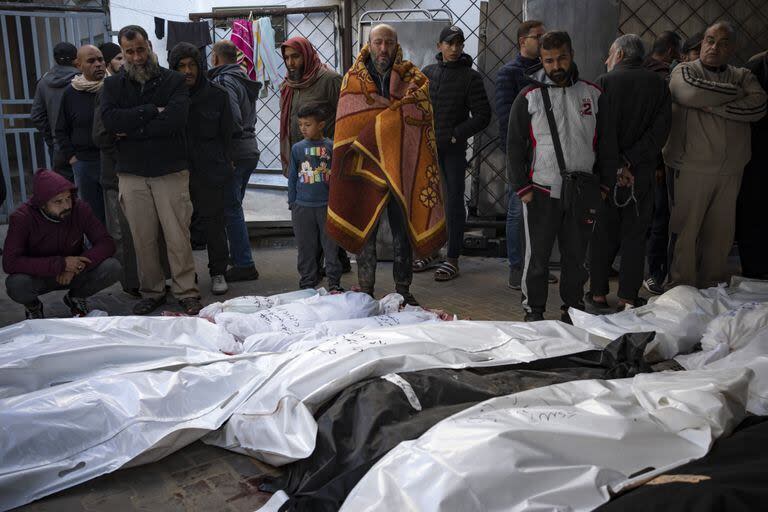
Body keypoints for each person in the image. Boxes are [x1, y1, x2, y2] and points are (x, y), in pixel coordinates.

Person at [326, 24, 446, 306]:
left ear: (396, 45)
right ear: (369, 44)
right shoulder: (352, 80)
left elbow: (419, 116)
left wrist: (388, 123)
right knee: (364, 227)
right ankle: (366, 290)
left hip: (401, 166)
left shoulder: (413, 79)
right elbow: (347, 126)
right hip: (363, 168)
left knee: (402, 230)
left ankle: (402, 290)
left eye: (389, 43)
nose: (383, 49)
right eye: (378, 42)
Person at [100, 25, 203, 315]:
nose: (136, 57)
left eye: (140, 49)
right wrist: (149, 112)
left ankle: (186, 291)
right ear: (122, 52)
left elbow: (175, 120)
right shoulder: (113, 86)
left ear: (149, 47)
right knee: (142, 237)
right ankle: (152, 291)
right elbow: (110, 122)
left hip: (170, 170)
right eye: (129, 52)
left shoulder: (172, 81)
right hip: (131, 173)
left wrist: (130, 128)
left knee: (177, 235)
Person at [506, 31, 608, 322]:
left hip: (582, 191)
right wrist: (522, 188)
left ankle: (573, 308)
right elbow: (514, 146)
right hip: (540, 190)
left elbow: (606, 144)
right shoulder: (529, 97)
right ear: (541, 61)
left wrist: (603, 186)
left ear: (571, 54)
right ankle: (533, 310)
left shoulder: (593, 95)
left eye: (561, 57)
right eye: (549, 60)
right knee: (536, 258)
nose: (556, 65)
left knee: (576, 257)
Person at [664, 21, 767, 289]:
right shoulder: (684, 71)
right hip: (691, 167)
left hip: (731, 168)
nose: (713, 47)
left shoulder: (742, 74)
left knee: (721, 234)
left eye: (722, 43)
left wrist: (715, 107)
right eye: (709, 40)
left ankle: (712, 286)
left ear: (732, 48)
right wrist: (734, 96)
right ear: (701, 43)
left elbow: (758, 105)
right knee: (686, 231)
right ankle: (681, 287)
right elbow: (692, 92)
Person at [587, 35, 671, 311]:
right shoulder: (659, 84)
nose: (606, 60)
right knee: (636, 236)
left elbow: (598, 131)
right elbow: (660, 131)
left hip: (608, 174)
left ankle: (598, 294)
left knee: (603, 234)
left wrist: (617, 164)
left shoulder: (604, 82)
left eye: (609, 54)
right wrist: (633, 160)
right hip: (642, 173)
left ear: (620, 54)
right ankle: (627, 297)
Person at [420, 25, 490, 281]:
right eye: (449, 43)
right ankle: (430, 251)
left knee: (452, 202)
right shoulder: (427, 74)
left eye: (458, 44)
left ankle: (452, 258)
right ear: (439, 46)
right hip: (428, 149)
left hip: (453, 151)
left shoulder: (470, 78)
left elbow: (483, 116)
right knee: (429, 201)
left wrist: (456, 134)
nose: (454, 48)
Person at [2, 170, 120, 319]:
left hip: (74, 272)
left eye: (68, 198)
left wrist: (77, 265)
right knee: (16, 284)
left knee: (112, 267)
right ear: (42, 204)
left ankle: (76, 297)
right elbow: (10, 262)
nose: (66, 206)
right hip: (39, 275)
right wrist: (61, 264)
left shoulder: (80, 208)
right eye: (58, 201)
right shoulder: (22, 218)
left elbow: (106, 243)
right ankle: (33, 306)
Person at [279, 36, 351, 275]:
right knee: (310, 221)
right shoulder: (289, 85)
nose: (291, 62)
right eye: (287, 57)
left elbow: (347, 116)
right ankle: (328, 266)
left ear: (307, 55)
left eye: (296, 56)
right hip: (301, 162)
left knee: (326, 216)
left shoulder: (329, 80)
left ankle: (331, 270)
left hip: (326, 165)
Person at [496, 20, 559, 289]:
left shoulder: (549, 72)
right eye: (539, 36)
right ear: (524, 41)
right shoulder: (509, 74)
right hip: (522, 152)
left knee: (543, 212)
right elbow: (505, 118)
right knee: (515, 211)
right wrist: (515, 154)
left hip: (547, 153)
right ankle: (516, 267)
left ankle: (537, 267)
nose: (543, 39)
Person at [170, 42, 233, 296]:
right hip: (176, 169)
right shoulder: (168, 95)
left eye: (192, 65)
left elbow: (228, 134)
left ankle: (218, 271)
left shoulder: (217, 95)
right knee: (178, 225)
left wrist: (224, 164)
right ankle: (186, 274)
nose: (187, 71)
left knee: (214, 223)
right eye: (181, 66)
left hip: (210, 169)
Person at [208, 40, 262, 282]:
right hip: (250, 149)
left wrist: (227, 154)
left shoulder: (223, 80)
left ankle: (243, 263)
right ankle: (239, 256)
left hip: (236, 151)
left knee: (230, 209)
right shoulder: (243, 78)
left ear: (216, 58)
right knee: (234, 206)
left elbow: (232, 119)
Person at [643, 32, 684, 294]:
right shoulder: (662, 78)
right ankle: (656, 272)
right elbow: (660, 126)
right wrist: (659, 164)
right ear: (671, 51)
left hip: (632, 160)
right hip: (658, 161)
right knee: (661, 219)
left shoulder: (640, 70)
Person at [287, 105, 342, 291]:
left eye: (307, 124)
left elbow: (337, 179)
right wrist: (292, 202)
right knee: (306, 248)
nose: (303, 128)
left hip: (326, 206)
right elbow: (293, 177)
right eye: (300, 124)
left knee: (331, 248)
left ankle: (334, 283)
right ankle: (307, 283)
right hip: (302, 207)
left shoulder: (331, 147)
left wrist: (337, 205)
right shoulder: (297, 149)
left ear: (321, 125)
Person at [54, 45, 107, 225]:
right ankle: (97, 249)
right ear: (78, 65)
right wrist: (72, 157)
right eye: (91, 61)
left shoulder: (113, 87)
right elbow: (61, 129)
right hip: (84, 163)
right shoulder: (71, 93)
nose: (98, 64)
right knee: (91, 213)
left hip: (112, 160)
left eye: (100, 59)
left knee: (117, 213)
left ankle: (120, 251)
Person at [736, 49, 768, 279]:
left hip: (757, 151)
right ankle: (755, 267)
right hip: (757, 152)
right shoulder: (757, 66)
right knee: (754, 212)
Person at [30, 42, 79, 180]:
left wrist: (52, 138)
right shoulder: (83, 79)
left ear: (55, 59)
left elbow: (36, 116)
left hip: (59, 146)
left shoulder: (44, 82)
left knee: (64, 191)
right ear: (76, 59)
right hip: (83, 145)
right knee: (88, 193)